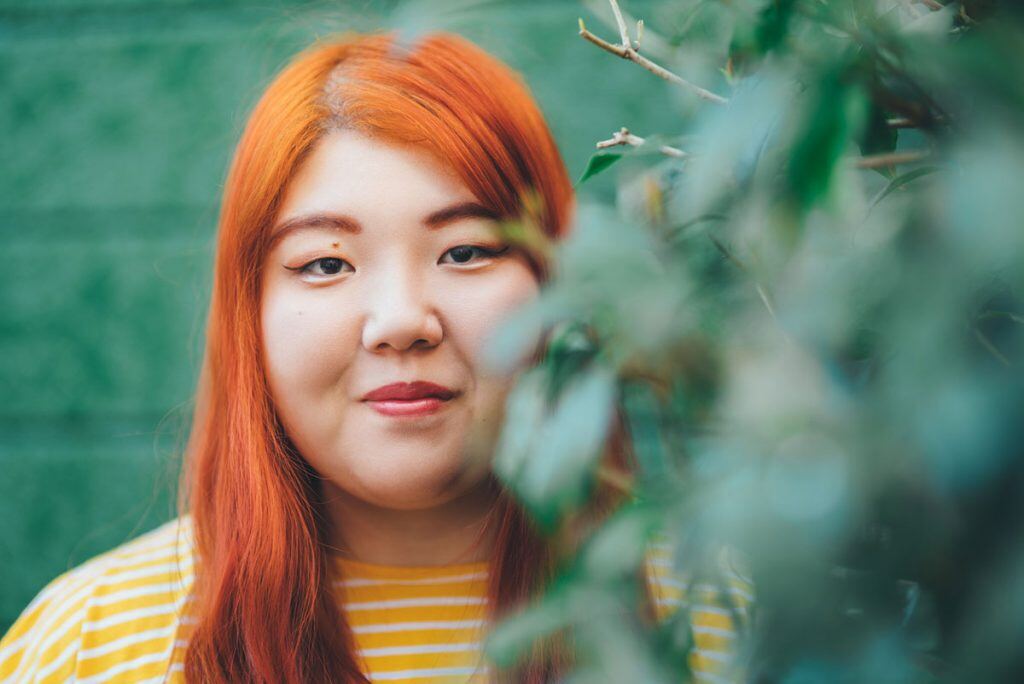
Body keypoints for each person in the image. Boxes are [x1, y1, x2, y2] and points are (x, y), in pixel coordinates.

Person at [0, 30, 752, 683]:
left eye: (464, 250)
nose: (399, 322)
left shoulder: (736, 621)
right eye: (325, 263)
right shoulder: (86, 647)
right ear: (248, 314)